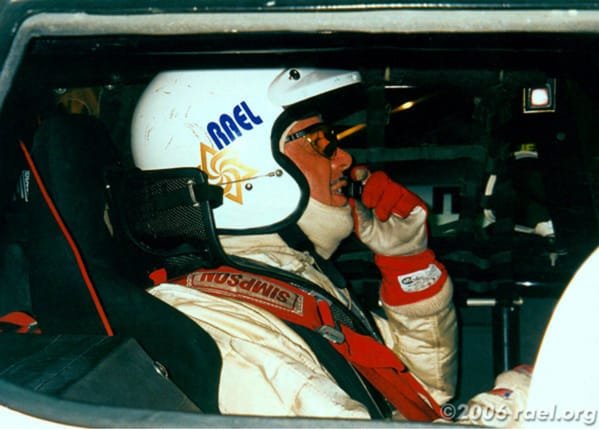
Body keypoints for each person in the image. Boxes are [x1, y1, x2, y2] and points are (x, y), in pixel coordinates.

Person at [129, 68, 458, 420]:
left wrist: (407, 262)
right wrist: (502, 413)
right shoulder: (227, 326)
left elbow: (420, 400)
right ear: (246, 162)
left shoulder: (287, 279)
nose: (344, 159)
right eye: (320, 140)